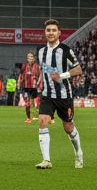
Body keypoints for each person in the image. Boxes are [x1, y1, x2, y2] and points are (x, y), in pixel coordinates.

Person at [34, 19, 84, 169]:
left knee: (68, 128)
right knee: (42, 120)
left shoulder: (66, 50)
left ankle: (78, 152)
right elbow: (46, 70)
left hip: (64, 96)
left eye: (53, 30)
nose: (51, 33)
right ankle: (46, 160)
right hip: (47, 95)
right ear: (45, 33)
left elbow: (78, 70)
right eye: (48, 30)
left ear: (59, 33)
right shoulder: (41, 52)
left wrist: (61, 76)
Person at [19, 52, 40, 124]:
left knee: (35, 102)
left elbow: (40, 75)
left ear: (34, 58)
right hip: (26, 86)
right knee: (27, 102)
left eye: (31, 57)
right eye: (29, 57)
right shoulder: (24, 66)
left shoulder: (37, 66)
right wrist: (19, 81)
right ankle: (28, 117)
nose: (30, 59)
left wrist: (39, 84)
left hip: (34, 86)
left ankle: (36, 115)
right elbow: (21, 74)